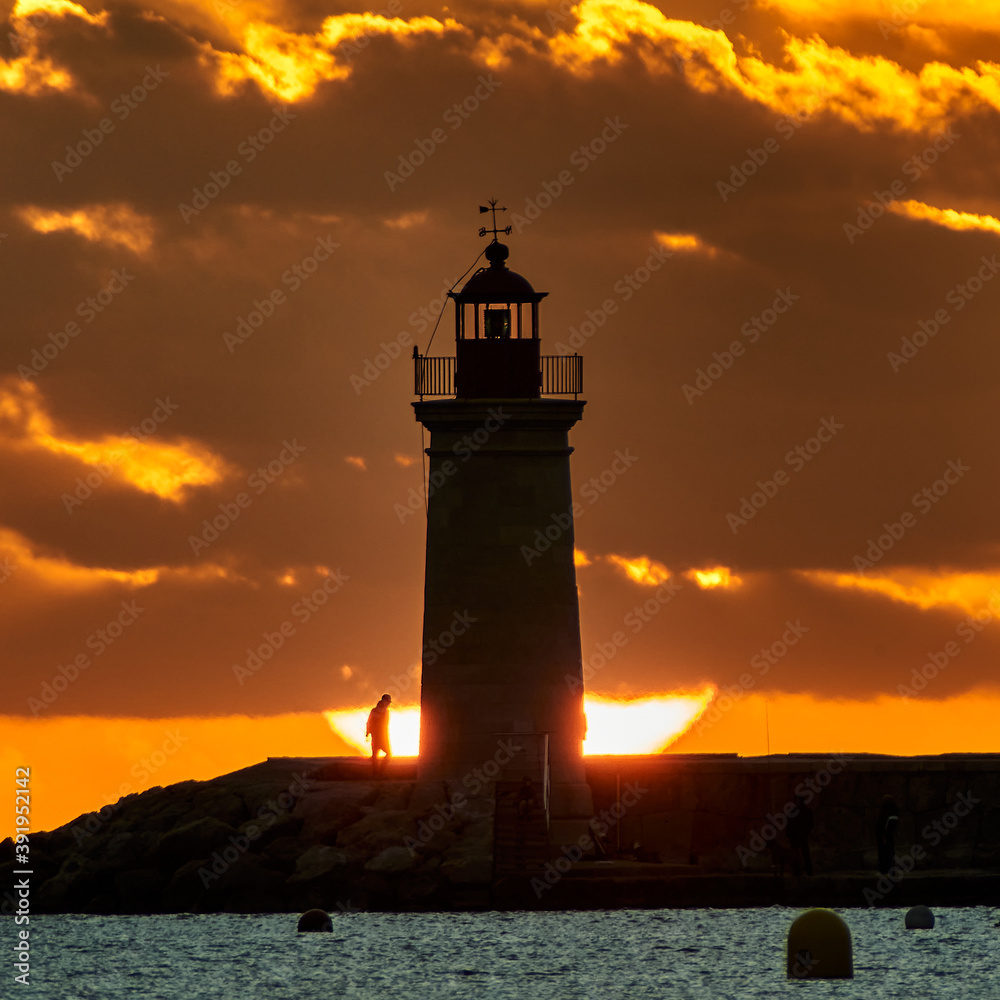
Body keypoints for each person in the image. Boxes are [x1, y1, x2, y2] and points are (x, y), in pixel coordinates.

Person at [787, 793, 814, 876]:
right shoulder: (806, 811)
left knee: (801, 853)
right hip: (799, 835)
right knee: (800, 853)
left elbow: (810, 823)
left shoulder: (799, 811)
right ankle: (801, 869)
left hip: (799, 835)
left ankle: (801, 870)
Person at [366, 694, 392, 777]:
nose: (389, 704)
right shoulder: (378, 711)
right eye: (388, 702)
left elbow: (370, 722)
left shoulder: (384, 711)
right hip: (379, 736)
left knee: (376, 755)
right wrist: (368, 732)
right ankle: (379, 773)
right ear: (384, 701)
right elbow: (370, 722)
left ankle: (378, 773)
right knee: (383, 755)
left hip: (381, 736)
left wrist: (368, 732)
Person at [876, 794, 900, 874]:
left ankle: (884, 869)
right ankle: (890, 869)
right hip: (889, 835)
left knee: (884, 852)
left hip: (884, 834)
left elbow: (880, 824)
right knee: (890, 852)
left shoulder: (884, 812)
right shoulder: (894, 812)